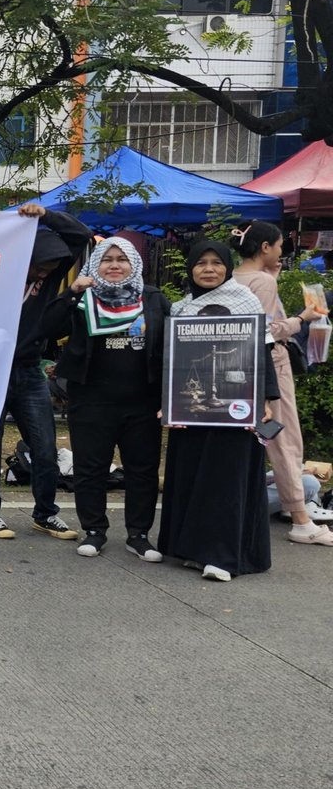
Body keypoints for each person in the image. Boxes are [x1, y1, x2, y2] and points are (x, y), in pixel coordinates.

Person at [158, 239, 279, 581]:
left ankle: (222, 557)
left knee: (226, 480)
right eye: (201, 263)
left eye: (216, 263)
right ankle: (192, 550)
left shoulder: (245, 301)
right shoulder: (181, 309)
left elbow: (263, 355)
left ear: (227, 267)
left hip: (236, 409)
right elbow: (172, 364)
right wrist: (167, 405)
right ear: (191, 268)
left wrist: (266, 401)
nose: (208, 269)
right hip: (192, 410)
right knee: (192, 476)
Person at [0, 202, 88, 542]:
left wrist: (46, 216)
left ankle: (46, 514)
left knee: (45, 448)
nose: (45, 273)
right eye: (40, 266)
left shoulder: (48, 281)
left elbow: (79, 235)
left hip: (29, 371)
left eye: (50, 267)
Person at [55, 236, 169, 561]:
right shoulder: (83, 298)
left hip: (143, 402)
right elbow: (49, 327)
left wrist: (170, 397)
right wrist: (71, 292)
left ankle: (139, 534)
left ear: (134, 264)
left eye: (122, 259)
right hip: (91, 400)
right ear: (96, 265)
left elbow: (171, 348)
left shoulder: (153, 298)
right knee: (90, 469)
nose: (115, 265)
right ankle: (94, 530)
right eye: (107, 259)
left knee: (142, 470)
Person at [231, 221, 333, 545]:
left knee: (262, 439)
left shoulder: (235, 277)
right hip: (272, 364)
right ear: (265, 247)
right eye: (278, 246)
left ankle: (293, 508)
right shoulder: (262, 281)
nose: (280, 252)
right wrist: (302, 318)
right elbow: (266, 331)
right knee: (284, 440)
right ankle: (301, 519)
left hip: (238, 365)